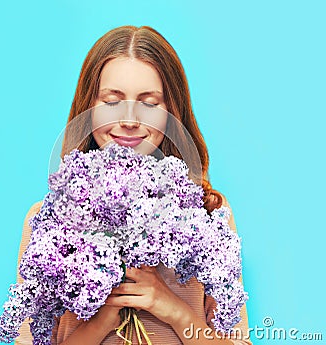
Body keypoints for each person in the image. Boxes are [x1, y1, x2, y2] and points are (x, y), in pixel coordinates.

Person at [14, 25, 252, 345]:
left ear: (171, 112)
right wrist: (99, 322)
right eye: (112, 101)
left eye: (149, 103)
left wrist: (171, 307)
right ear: (89, 109)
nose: (129, 120)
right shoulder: (48, 221)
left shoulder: (209, 215)